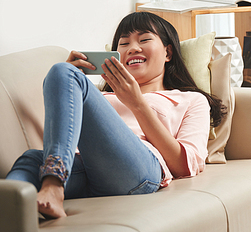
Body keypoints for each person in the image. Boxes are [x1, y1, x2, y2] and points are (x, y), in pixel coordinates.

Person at [6, 11, 225, 219]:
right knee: (31, 159)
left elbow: (183, 165)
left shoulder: (191, 100)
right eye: (124, 43)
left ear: (167, 52)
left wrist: (137, 103)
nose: (133, 48)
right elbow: (62, 134)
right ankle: (9, 210)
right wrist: (64, 83)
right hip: (81, 166)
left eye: (144, 39)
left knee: (62, 73)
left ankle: (53, 184)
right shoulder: (98, 97)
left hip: (136, 170)